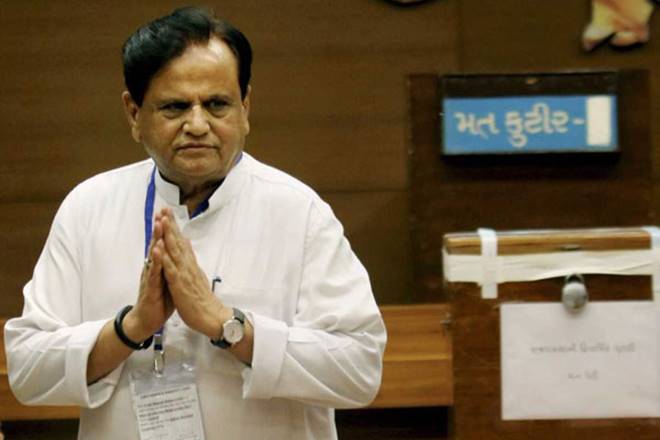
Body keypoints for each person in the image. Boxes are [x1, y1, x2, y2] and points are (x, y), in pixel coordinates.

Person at [4, 7, 386, 440]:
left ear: (245, 108)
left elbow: (360, 368)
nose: (198, 125)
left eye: (217, 104)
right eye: (175, 107)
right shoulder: (88, 208)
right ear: (134, 114)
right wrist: (130, 329)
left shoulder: (300, 213)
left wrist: (227, 326)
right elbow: (27, 369)